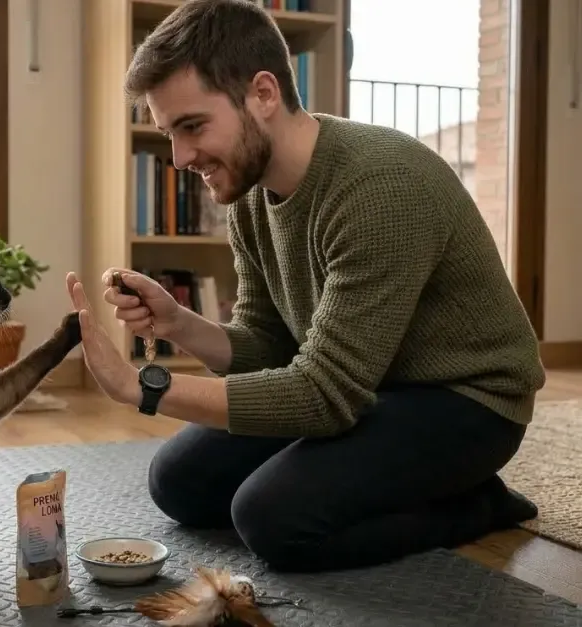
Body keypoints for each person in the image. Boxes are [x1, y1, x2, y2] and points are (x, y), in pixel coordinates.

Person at [63, 0, 546, 573]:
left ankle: (476, 502)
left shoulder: (382, 184)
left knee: (273, 518)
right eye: (170, 133)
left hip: (465, 403)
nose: (180, 157)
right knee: (179, 484)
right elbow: (269, 343)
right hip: (367, 389)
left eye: (192, 126)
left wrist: (143, 387)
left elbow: (323, 396)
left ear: (264, 93)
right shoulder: (250, 198)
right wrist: (178, 325)